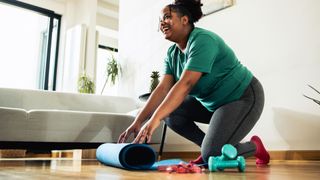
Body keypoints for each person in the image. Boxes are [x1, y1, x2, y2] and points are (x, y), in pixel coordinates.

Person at [118, 0, 270, 165]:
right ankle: (210, 149)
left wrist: (154, 120)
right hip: (214, 106)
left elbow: (185, 84)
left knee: (212, 152)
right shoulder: (172, 53)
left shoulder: (202, 40)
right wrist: (138, 121)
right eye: (160, 20)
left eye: (167, 17)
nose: (162, 23)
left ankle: (253, 146)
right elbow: (162, 89)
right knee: (171, 114)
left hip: (244, 97)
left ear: (185, 20)